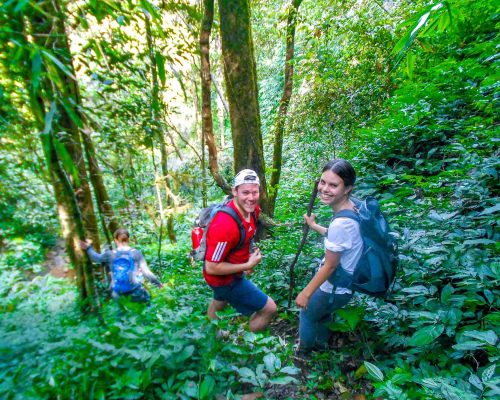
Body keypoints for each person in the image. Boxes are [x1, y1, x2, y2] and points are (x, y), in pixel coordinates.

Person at [295, 159, 363, 353]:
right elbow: (341, 240)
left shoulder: (341, 223)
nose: (324, 189)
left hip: (334, 288)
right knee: (322, 315)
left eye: (333, 185)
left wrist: (305, 293)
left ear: (347, 188)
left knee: (307, 314)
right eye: (322, 182)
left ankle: (304, 353)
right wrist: (314, 226)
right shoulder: (352, 208)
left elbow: (330, 265)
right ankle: (322, 347)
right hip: (345, 285)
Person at [203, 169, 277, 332]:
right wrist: (246, 265)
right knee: (269, 308)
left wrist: (247, 255)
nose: (251, 198)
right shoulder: (225, 224)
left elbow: (247, 235)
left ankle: (210, 337)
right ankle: (241, 343)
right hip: (223, 279)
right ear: (234, 191)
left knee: (219, 301)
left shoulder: (253, 211)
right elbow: (212, 267)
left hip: (231, 273)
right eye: (245, 192)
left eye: (254, 192)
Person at [80, 228, 163, 303]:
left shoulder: (110, 254)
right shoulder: (136, 253)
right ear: (129, 239)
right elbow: (146, 272)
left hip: (118, 294)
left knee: (122, 317)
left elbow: (96, 258)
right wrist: (158, 284)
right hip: (136, 292)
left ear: (115, 240)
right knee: (146, 308)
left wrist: (88, 248)